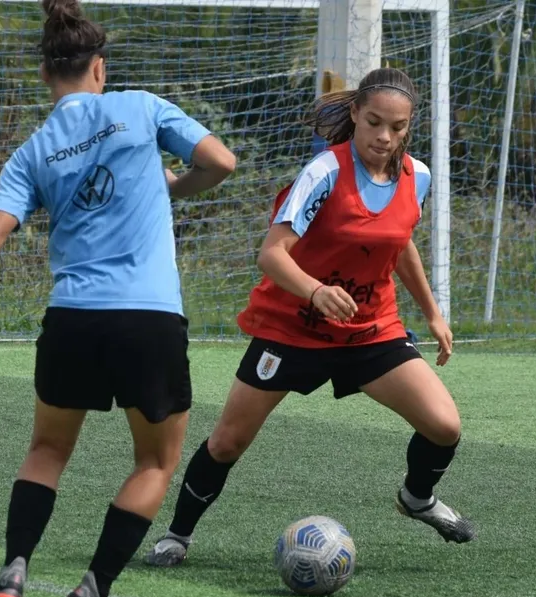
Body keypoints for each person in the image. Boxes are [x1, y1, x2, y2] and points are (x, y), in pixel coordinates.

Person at [0, 0, 235, 597]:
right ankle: (92, 594)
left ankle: (12, 571)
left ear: (45, 77)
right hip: (148, 319)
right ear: (100, 69)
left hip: (72, 319)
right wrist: (169, 185)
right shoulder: (140, 107)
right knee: (155, 463)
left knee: (48, 450)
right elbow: (220, 162)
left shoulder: (33, 149)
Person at [144, 67, 475, 569]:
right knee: (228, 441)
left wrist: (432, 312)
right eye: (374, 123)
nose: (385, 136)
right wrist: (316, 291)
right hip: (293, 328)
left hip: (369, 329)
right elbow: (272, 254)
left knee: (444, 426)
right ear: (355, 117)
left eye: (398, 126)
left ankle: (417, 499)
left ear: (410, 127)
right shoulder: (325, 172)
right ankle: (177, 535)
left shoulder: (418, 176)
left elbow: (401, 239)